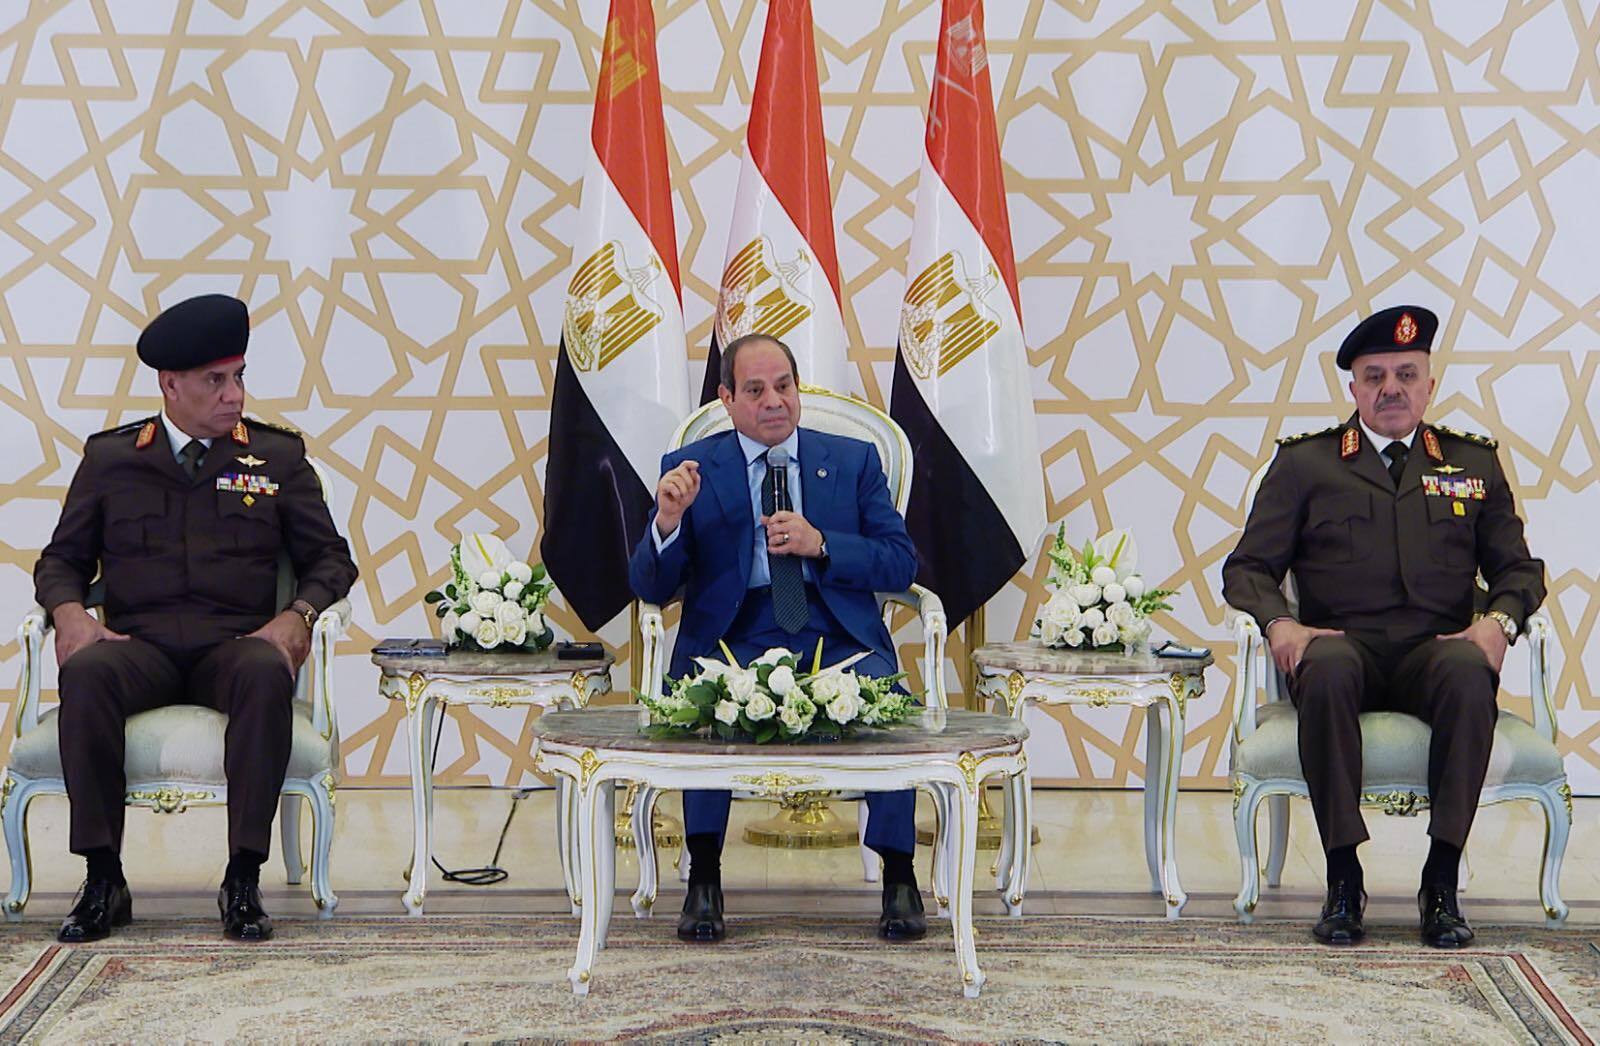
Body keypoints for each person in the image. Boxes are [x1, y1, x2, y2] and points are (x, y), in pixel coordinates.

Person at [33, 293, 358, 943]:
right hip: (140, 646)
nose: (234, 395)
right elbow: (60, 560)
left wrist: (298, 614)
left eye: (239, 377)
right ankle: (103, 877)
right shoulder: (112, 459)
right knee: (87, 673)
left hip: (233, 645)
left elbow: (331, 559)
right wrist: (69, 613)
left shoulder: (276, 458)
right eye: (216, 380)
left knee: (266, 671)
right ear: (170, 384)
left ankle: (243, 877)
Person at [1223, 305, 1545, 948]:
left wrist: (1498, 624)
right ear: (1354, 388)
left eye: (1406, 374)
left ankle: (1441, 881)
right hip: (1344, 645)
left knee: (1468, 670)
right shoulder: (1307, 464)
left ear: (1429, 385)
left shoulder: (1472, 463)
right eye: (1375, 376)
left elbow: (1518, 570)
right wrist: (1280, 623)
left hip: (1436, 649)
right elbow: (1248, 567)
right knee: (1325, 667)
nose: (1391, 389)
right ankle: (1343, 879)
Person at [629, 333, 922, 943]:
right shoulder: (692, 467)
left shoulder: (853, 460)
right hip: (733, 634)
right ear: (727, 398)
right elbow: (650, 585)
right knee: (704, 704)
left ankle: (899, 874)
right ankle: (704, 878)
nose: (773, 402)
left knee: (888, 705)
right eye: (756, 390)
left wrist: (824, 544)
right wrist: (668, 520)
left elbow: (901, 563)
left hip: (835, 633)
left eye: (784, 386)